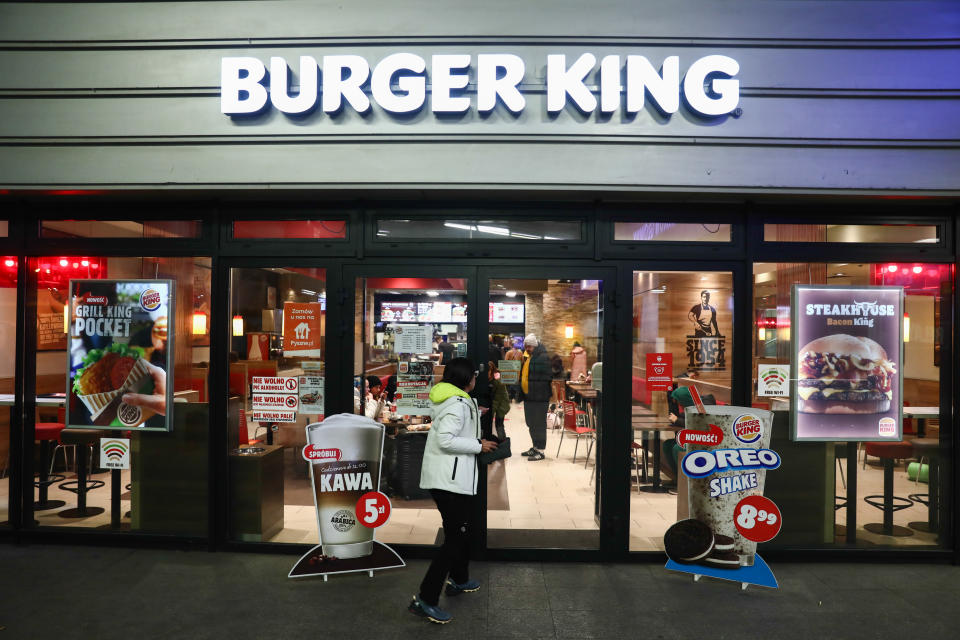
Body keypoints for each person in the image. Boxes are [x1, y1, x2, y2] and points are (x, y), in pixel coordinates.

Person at [409, 358, 498, 625]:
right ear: (466, 379)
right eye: (473, 375)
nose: (475, 379)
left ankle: (458, 579)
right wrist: (477, 444)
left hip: (450, 478)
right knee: (454, 539)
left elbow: (455, 418)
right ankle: (425, 599)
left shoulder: (457, 400)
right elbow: (445, 440)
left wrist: (475, 413)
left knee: (461, 530)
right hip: (448, 481)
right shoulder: (457, 405)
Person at [519, 334, 551, 461]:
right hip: (530, 397)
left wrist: (534, 390)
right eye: (526, 346)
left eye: (529, 346)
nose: (527, 348)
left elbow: (546, 378)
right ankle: (535, 447)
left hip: (539, 398)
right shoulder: (530, 356)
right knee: (531, 424)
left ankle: (541, 451)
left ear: (535, 345)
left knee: (539, 425)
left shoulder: (542, 357)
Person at [486, 361, 510, 441]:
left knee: (499, 425)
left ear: (492, 370)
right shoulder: (494, 378)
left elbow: (497, 399)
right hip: (499, 403)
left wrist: (491, 412)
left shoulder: (498, 380)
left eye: (488, 371)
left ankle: (502, 443)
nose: (487, 374)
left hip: (502, 405)